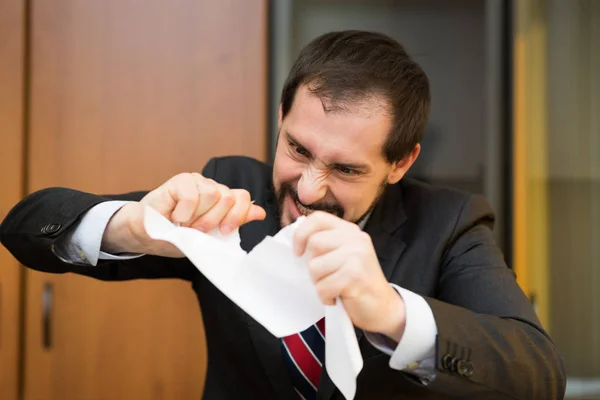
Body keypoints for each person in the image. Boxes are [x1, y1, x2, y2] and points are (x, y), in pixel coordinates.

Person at [0, 30, 565, 399]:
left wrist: (391, 313)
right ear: (280, 118)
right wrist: (138, 227)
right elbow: (25, 225)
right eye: (297, 150)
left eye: (346, 170)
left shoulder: (449, 223)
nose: (311, 189)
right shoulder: (233, 188)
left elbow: (540, 374)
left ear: (401, 162)